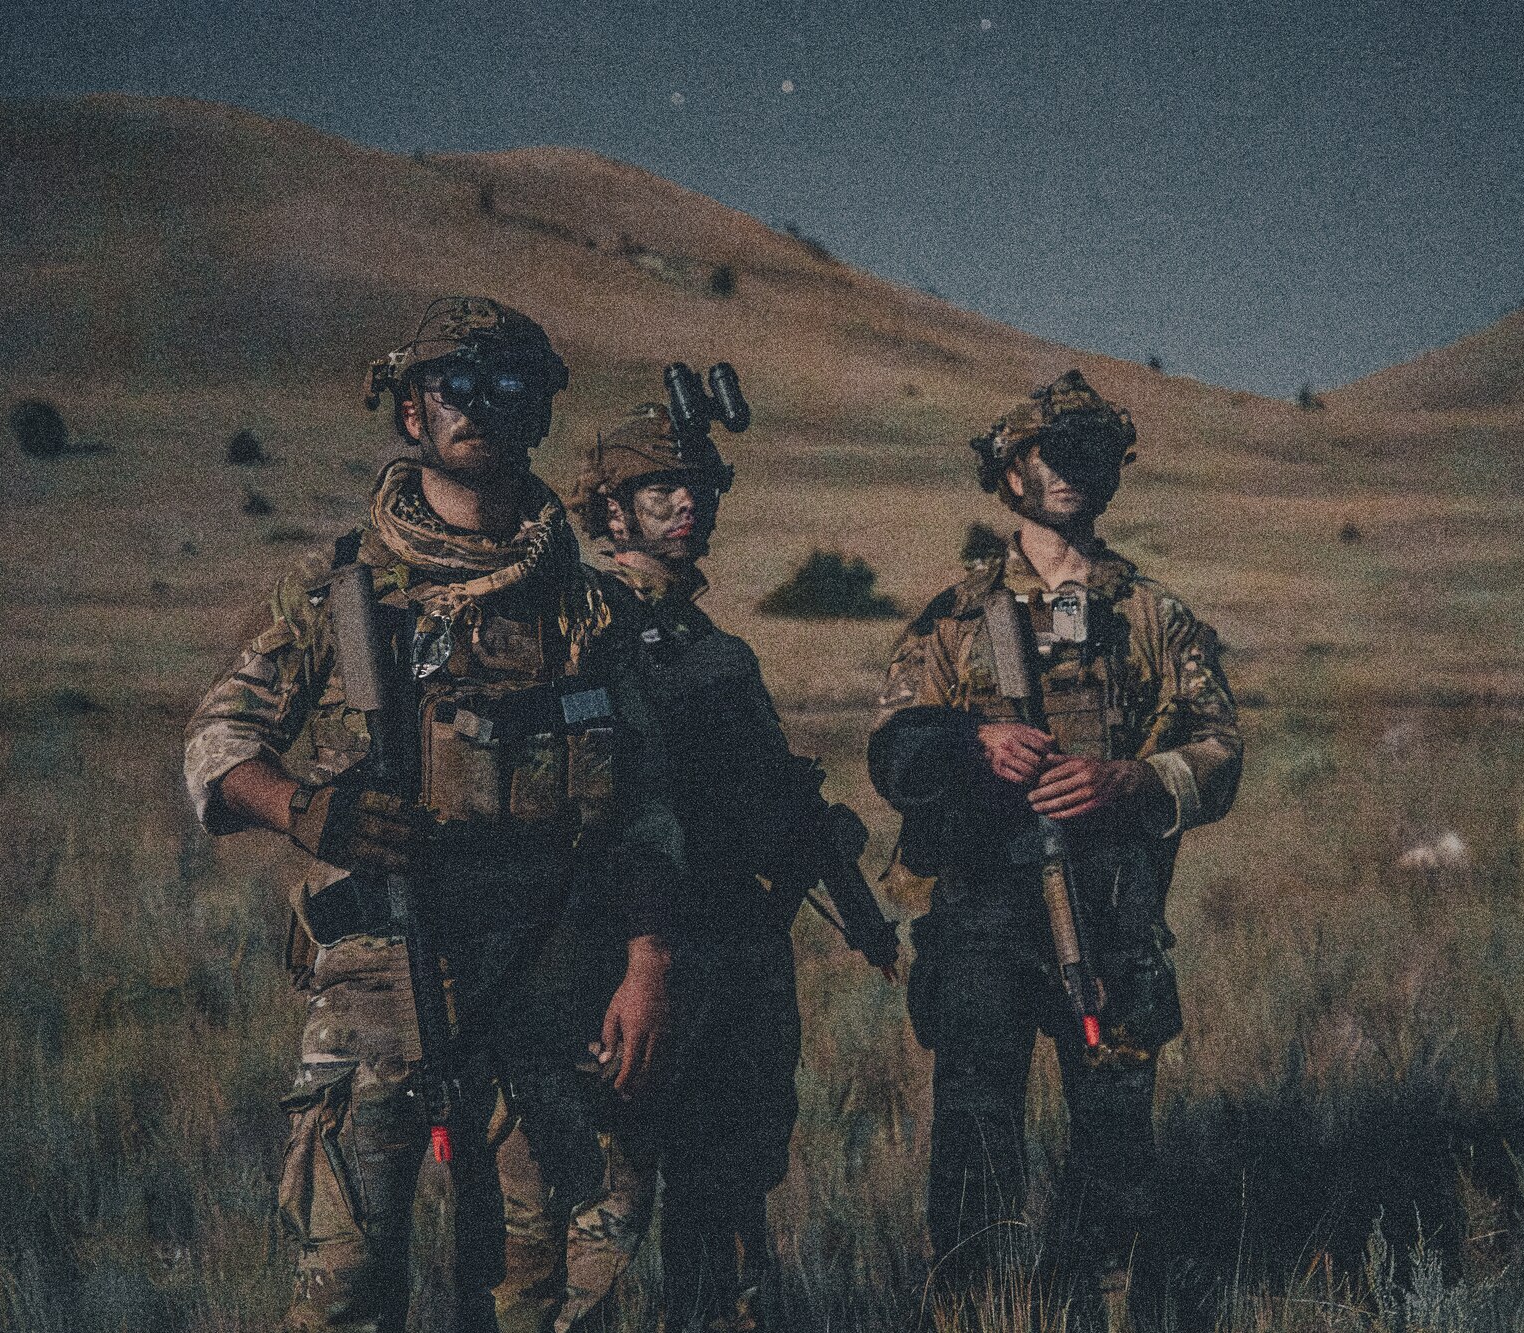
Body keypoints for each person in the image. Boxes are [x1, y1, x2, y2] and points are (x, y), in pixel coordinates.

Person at [183, 296, 681, 1333]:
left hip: (545, 974)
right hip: (380, 970)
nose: (479, 408)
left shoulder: (588, 609)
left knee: (529, 1290)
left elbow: (642, 809)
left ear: (538, 413)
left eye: (508, 388)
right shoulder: (338, 588)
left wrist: (644, 966)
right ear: (411, 411)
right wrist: (302, 810)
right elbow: (219, 743)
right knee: (347, 1285)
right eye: (453, 385)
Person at [495, 396, 898, 1333]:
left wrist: (810, 836)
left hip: (734, 965)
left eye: (699, 486)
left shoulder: (720, 653)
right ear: (609, 507)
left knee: (725, 1230)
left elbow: (762, 805)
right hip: (625, 965)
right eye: (659, 486)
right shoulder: (573, 626)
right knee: (597, 1226)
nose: (687, 503)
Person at [866, 370, 1242, 1326]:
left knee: (1114, 1148)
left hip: (1113, 912)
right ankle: (974, 1310)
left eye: (1090, 453)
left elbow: (1219, 754)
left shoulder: (1154, 615)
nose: (1072, 470)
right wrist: (974, 741)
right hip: (986, 913)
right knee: (978, 1142)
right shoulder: (955, 614)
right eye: (1051, 453)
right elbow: (894, 752)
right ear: (1011, 475)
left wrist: (1130, 781)